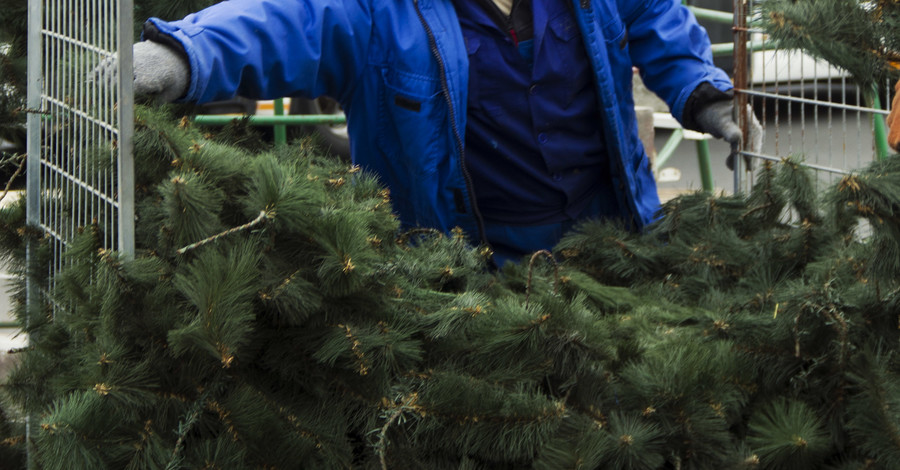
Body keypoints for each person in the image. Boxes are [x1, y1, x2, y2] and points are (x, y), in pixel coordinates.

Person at [121, 0, 761, 264]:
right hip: (466, 270)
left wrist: (706, 98)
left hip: (613, 241)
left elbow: (658, 19)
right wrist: (185, 55)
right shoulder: (376, 12)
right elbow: (288, 19)